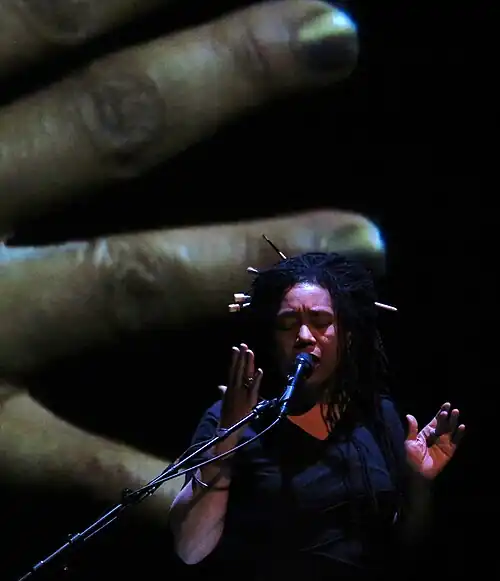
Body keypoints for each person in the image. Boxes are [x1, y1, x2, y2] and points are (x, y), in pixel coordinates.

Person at [169, 251, 465, 580]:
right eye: (288, 323)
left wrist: (417, 482)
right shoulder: (234, 418)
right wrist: (226, 438)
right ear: (274, 338)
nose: (304, 337)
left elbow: (404, 547)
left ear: (347, 336)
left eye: (321, 321)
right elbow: (190, 548)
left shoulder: (376, 414)